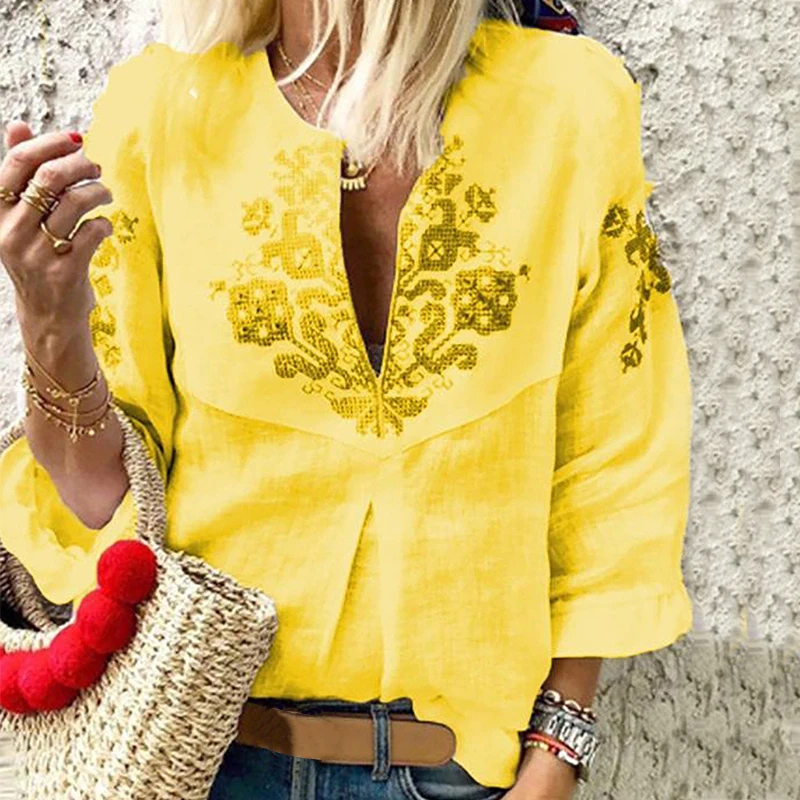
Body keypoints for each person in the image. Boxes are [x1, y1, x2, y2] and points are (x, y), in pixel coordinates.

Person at [0, 0, 694, 797]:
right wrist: (48, 322)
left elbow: (612, 458)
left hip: (457, 771)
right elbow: (98, 498)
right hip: (200, 755)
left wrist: (557, 755)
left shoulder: (568, 106)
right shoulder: (163, 112)